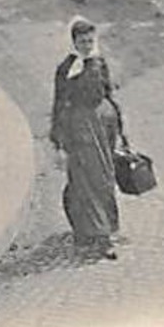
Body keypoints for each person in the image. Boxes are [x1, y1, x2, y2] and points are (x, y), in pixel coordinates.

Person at [49, 18, 121, 260]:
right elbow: (59, 103)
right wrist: (58, 141)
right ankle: (88, 232)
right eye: (82, 42)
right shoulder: (66, 68)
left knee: (102, 179)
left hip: (102, 128)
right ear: (74, 42)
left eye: (90, 41)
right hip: (78, 128)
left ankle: (103, 233)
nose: (87, 45)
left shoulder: (99, 63)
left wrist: (120, 128)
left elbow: (108, 93)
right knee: (80, 180)